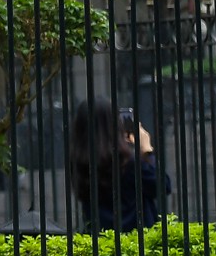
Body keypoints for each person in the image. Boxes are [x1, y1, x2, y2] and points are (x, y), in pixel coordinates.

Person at [68, 97, 168, 231]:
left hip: (101, 240)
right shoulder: (127, 163)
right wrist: (146, 150)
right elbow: (163, 185)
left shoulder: (80, 164)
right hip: (137, 241)